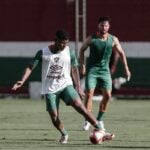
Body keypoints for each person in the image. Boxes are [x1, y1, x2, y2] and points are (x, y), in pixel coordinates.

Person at [12, 30, 114, 144]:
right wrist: (22, 80)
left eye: (66, 43)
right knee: (54, 116)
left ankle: (101, 129)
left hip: (66, 85)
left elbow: (74, 69)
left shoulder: (69, 52)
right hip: (50, 89)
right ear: (55, 40)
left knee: (80, 106)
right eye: (61, 43)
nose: (64, 45)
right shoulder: (43, 52)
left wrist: (78, 87)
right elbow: (30, 66)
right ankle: (64, 134)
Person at [79, 16, 131, 131]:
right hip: (92, 70)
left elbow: (121, 53)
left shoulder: (113, 39)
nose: (104, 27)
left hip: (104, 71)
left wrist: (126, 68)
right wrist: (82, 65)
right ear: (98, 26)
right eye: (102, 25)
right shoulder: (91, 38)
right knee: (89, 94)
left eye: (106, 25)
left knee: (107, 95)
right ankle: (88, 119)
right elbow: (82, 49)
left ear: (109, 27)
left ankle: (100, 119)